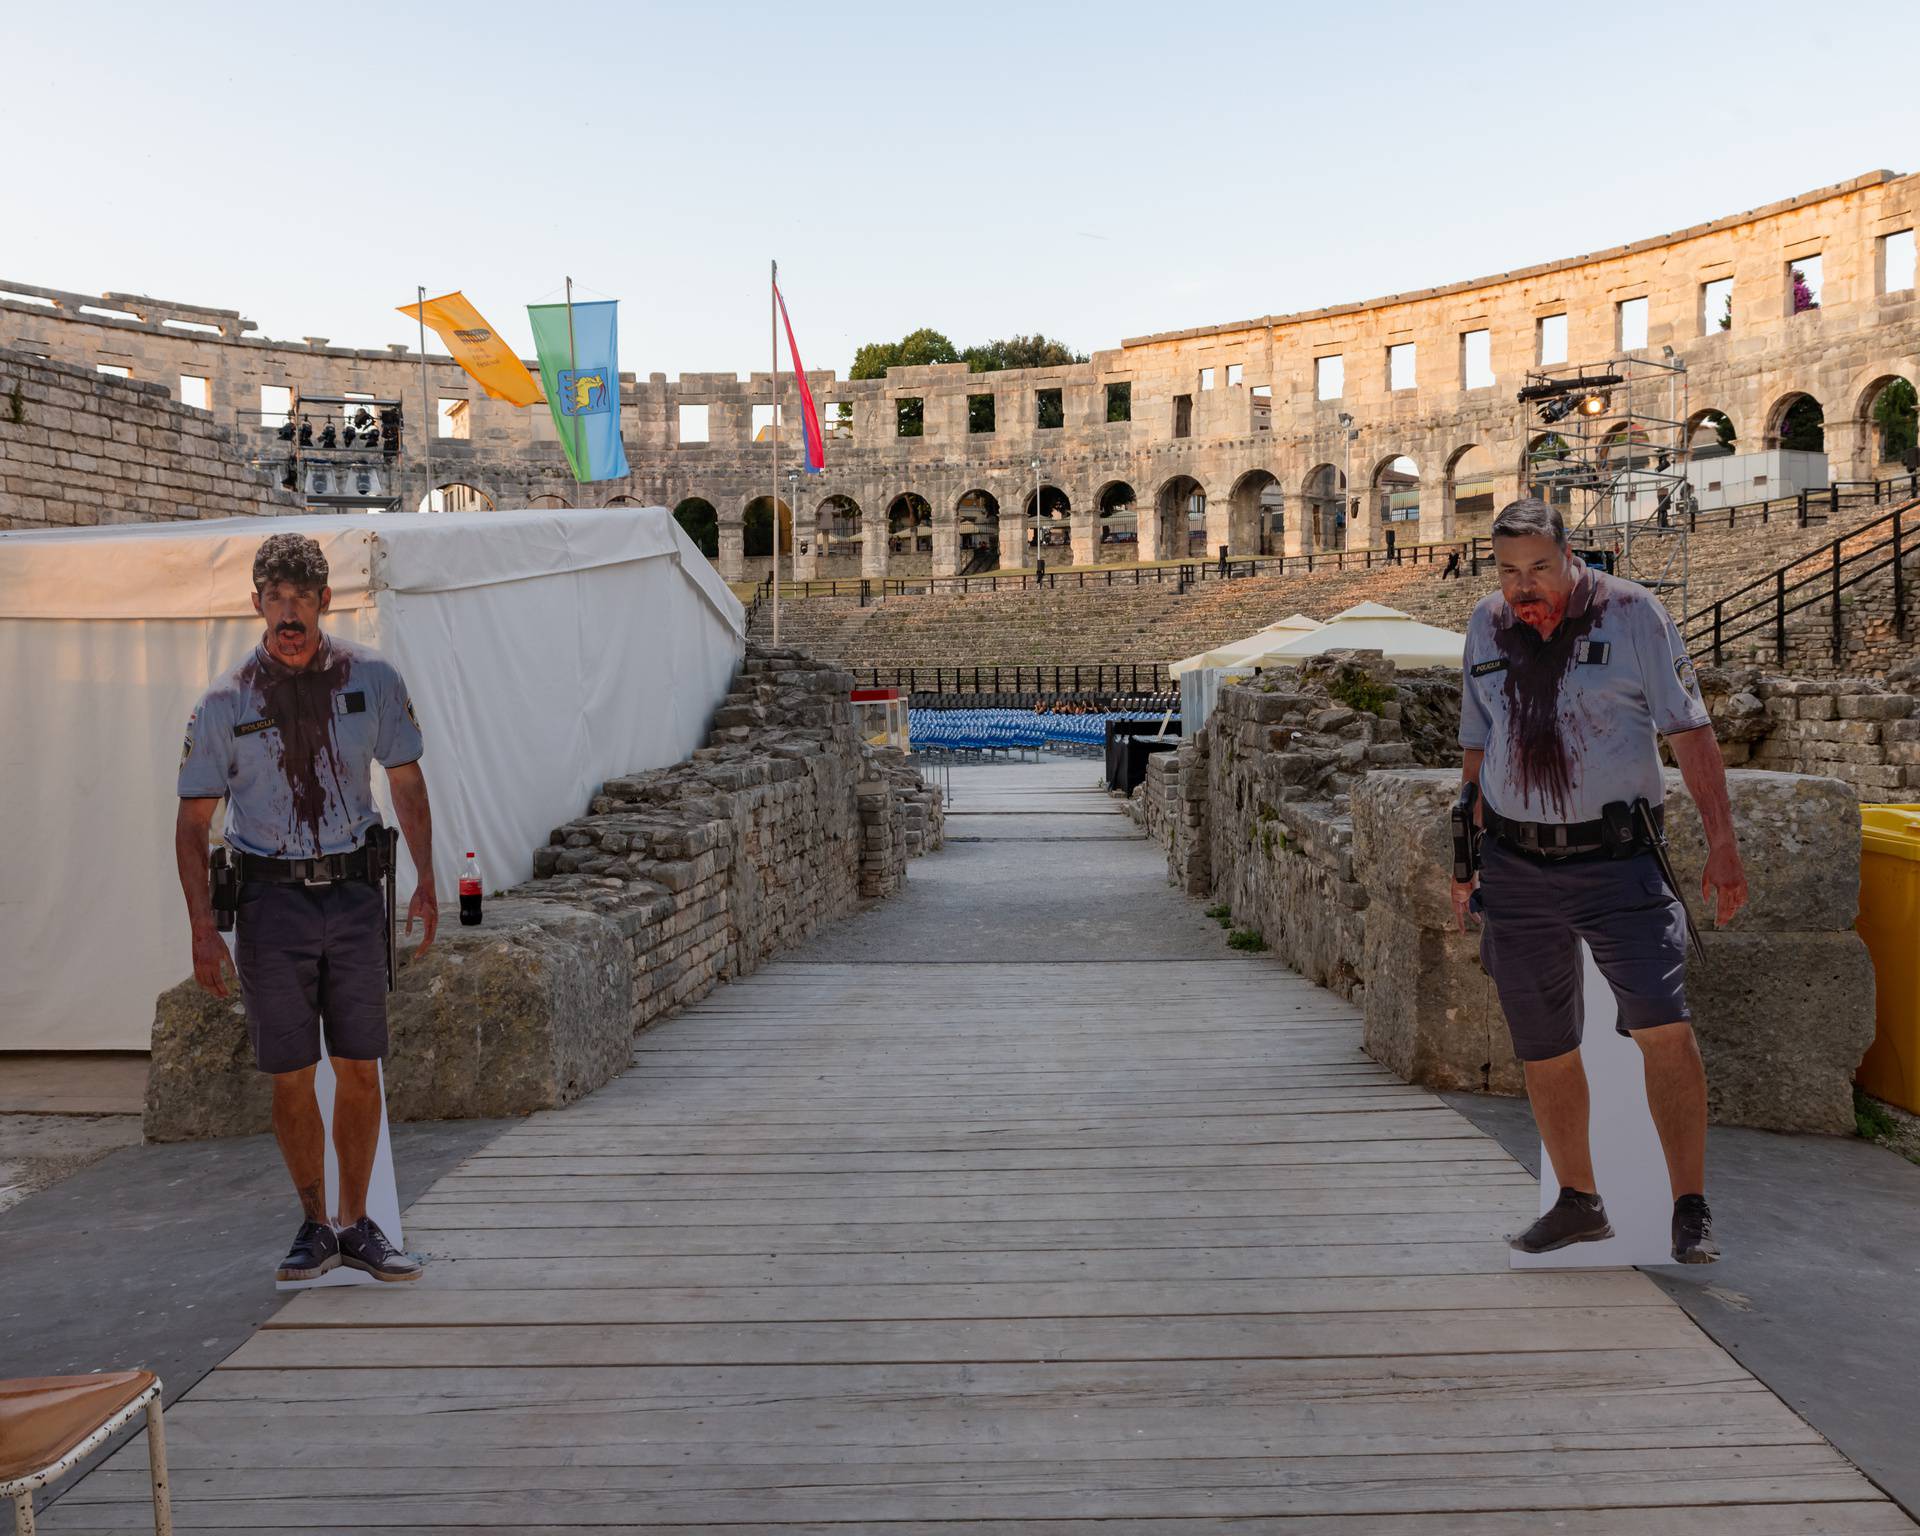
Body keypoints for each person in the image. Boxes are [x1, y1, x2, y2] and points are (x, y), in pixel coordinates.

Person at [1451, 498, 1746, 1264]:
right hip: (1517, 864)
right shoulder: (1485, 625)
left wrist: (1724, 844)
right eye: (1509, 571)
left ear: (1569, 555)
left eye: (1539, 568)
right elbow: (1477, 751)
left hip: (1619, 860)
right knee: (1543, 1042)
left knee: (1664, 1026)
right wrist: (1466, 862)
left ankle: (1691, 1206)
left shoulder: (1635, 615)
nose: (1524, 586)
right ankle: (1579, 1201)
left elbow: (1690, 731)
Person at [175, 533, 438, 1284]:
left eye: (303, 597)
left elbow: (408, 783)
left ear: (326, 600)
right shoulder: (224, 702)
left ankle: (359, 1226)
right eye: (275, 597)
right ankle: (314, 1222)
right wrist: (203, 930)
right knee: (290, 1073)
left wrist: (426, 879)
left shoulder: (373, 678)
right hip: (269, 904)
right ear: (256, 602)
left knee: (360, 1065)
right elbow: (192, 826)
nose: (289, 612)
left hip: (354, 896)